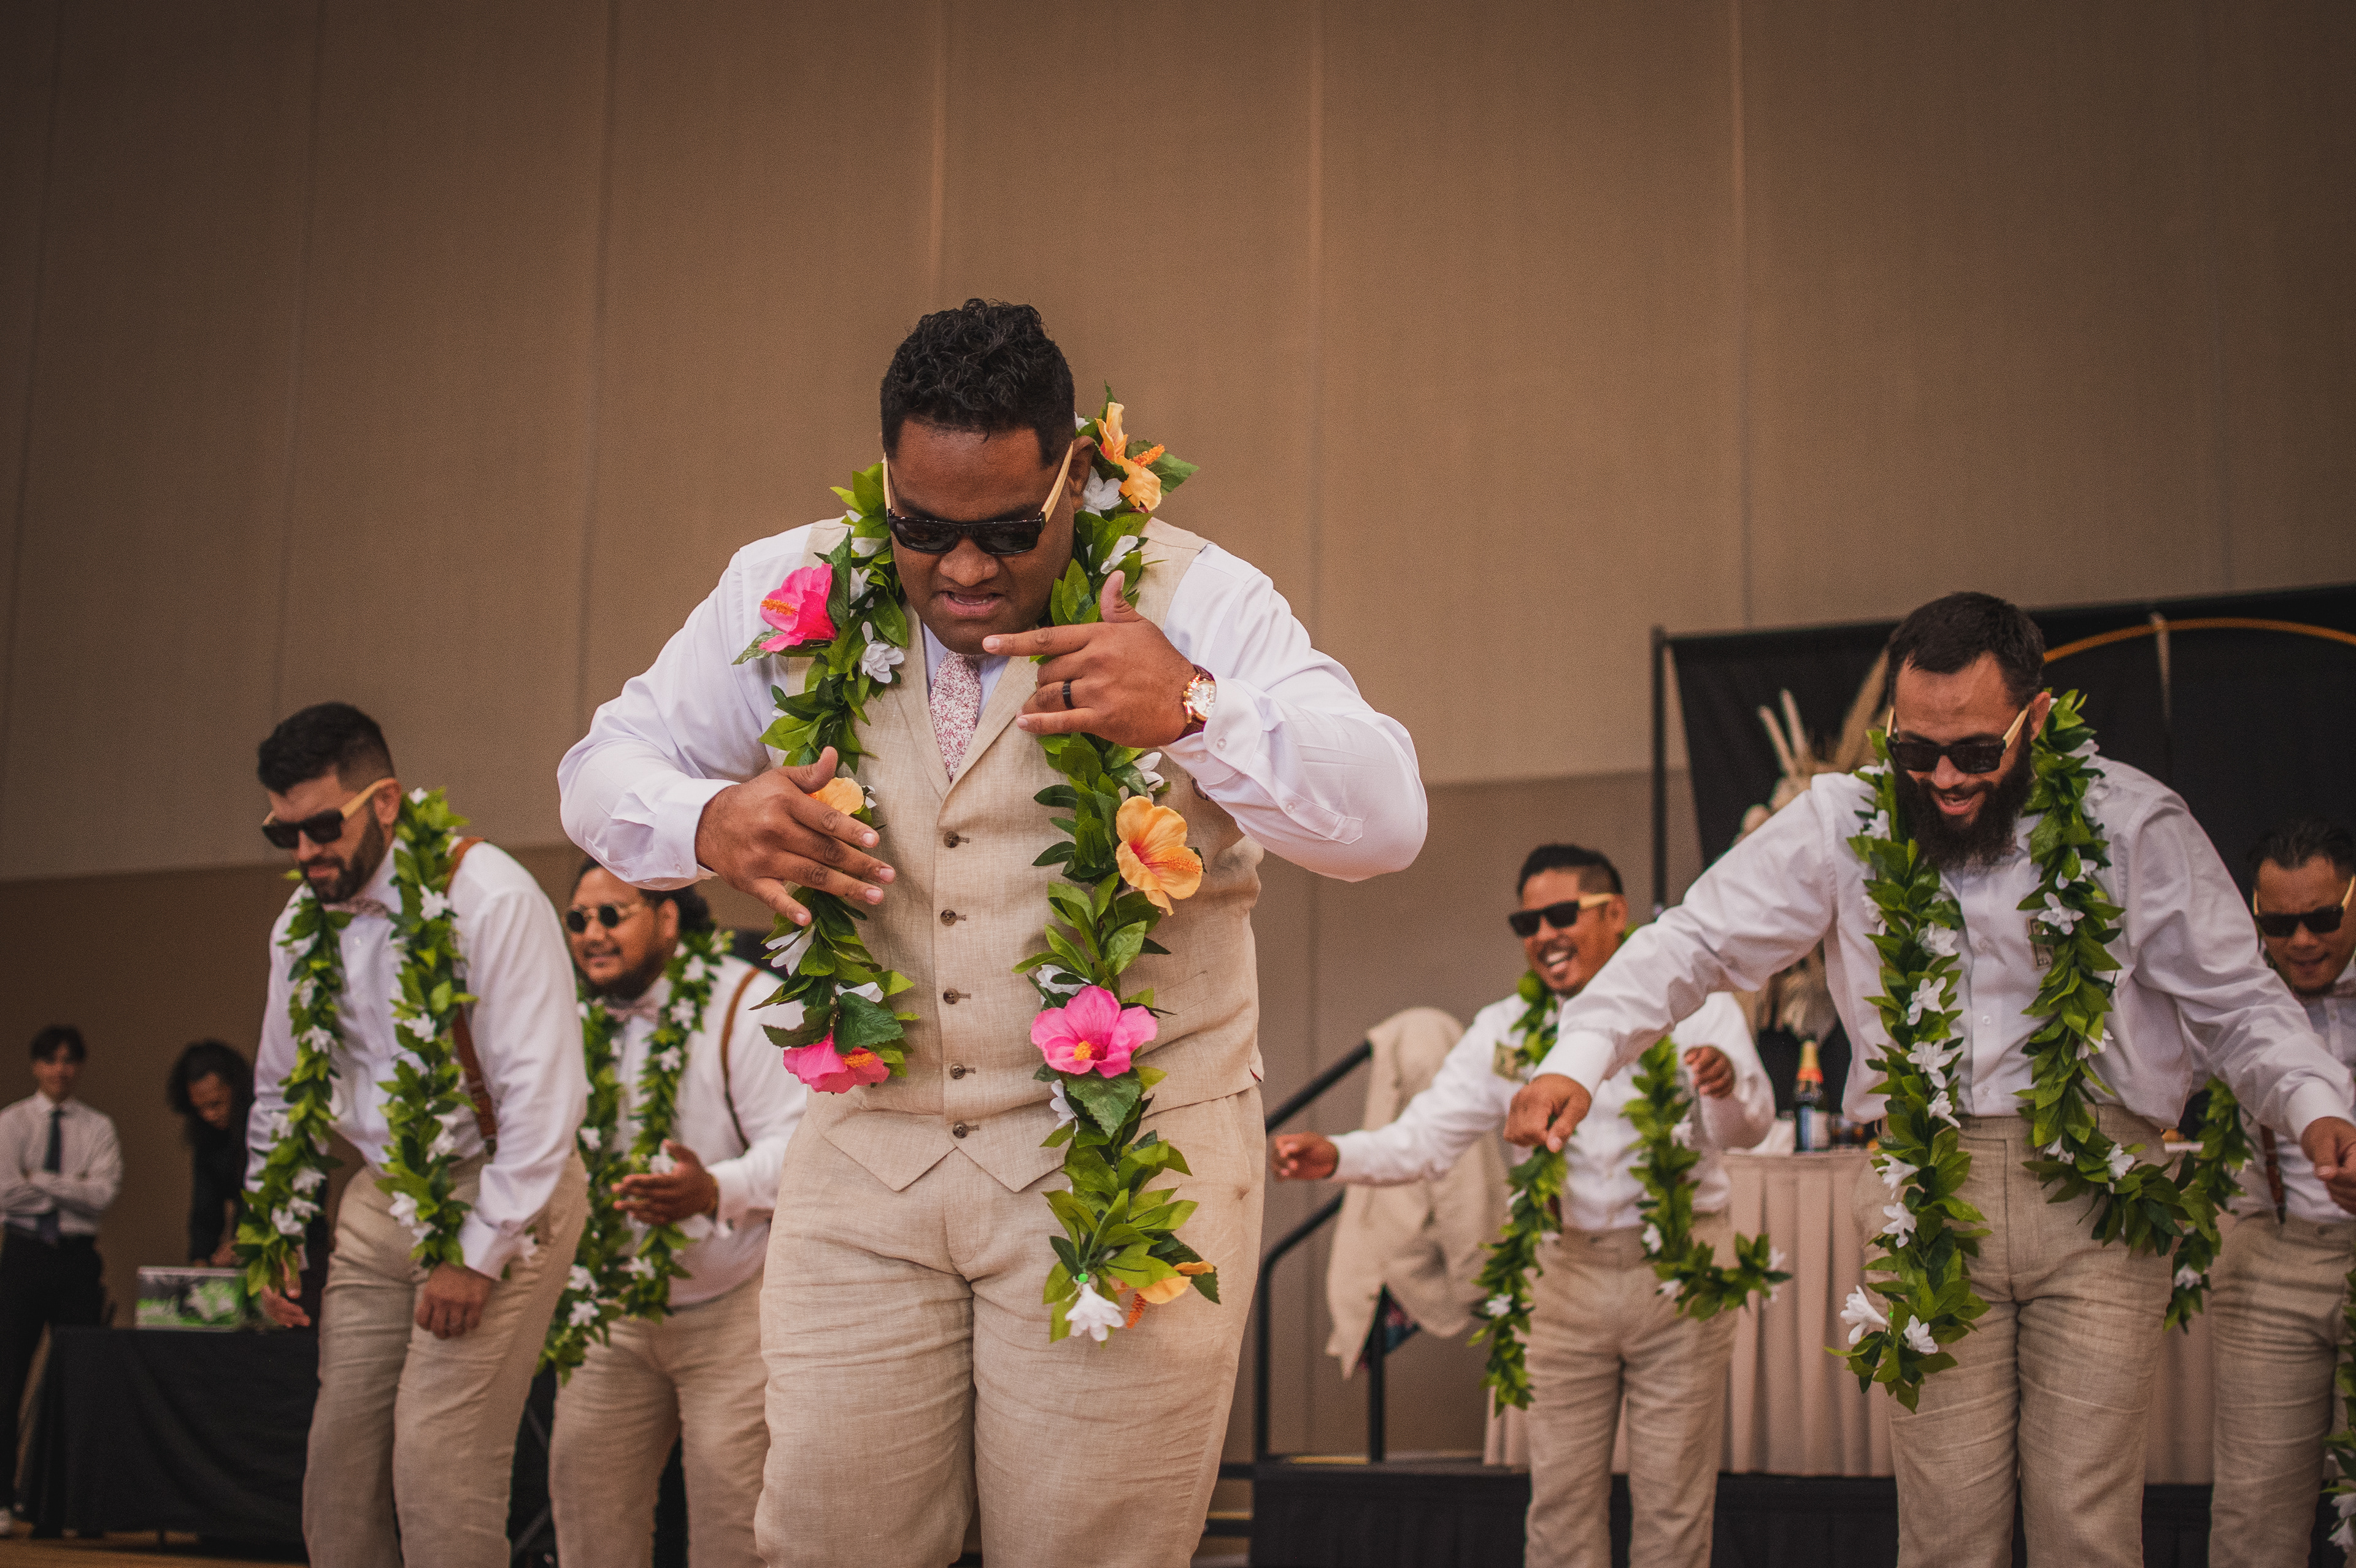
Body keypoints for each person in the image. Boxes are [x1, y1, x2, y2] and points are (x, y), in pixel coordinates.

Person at [559, 299, 1426, 1567]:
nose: (964, 570)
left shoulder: (1195, 592)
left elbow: (1387, 818)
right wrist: (707, 819)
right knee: (826, 1540)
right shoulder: (787, 587)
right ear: (885, 485)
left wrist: (1196, 706)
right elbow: (598, 770)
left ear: (1074, 475)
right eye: (924, 530)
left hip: (1126, 1162)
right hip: (867, 1156)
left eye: (1010, 531)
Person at [1503, 592, 2356, 1568]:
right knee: (1946, 1530)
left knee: (2084, 1523)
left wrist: (2315, 1108)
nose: (1944, 778)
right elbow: (1693, 941)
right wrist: (1577, 1061)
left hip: (2100, 1198)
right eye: (1918, 750)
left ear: (2037, 718)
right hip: (1924, 1194)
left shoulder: (2132, 823)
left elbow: (2237, 1001)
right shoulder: (1844, 820)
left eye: (1976, 751)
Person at [1272, 845, 1773, 1567]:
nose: (1544, 935)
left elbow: (1747, 1134)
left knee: (1674, 1506)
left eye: (1562, 915)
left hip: (1682, 1276)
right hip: (1561, 1278)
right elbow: (1426, 1140)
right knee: (1560, 1506)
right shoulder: (1506, 1029)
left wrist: (1725, 1092)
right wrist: (1339, 1156)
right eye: (1527, 922)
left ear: (1616, 913)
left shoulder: (1698, 1006)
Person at [246, 702, 588, 1568]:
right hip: (380, 1193)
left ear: (387, 802)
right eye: (284, 833)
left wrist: (477, 1254)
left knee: (440, 1463)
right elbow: (280, 1089)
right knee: (338, 1465)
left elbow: (543, 1102)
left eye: (323, 826)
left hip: (504, 1185)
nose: (305, 852)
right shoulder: (300, 928)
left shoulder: (490, 898)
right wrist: (274, 1224)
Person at [549, 865, 804, 1568]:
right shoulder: (565, 1017)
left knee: (733, 1522)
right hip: (611, 1310)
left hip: (733, 1307)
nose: (592, 934)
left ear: (667, 918)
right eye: (578, 920)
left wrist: (713, 1189)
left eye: (612, 915)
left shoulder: (748, 1004)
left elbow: (802, 1147)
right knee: (587, 1506)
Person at [2207, 817, 2356, 1568]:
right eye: (2278, 924)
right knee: (2254, 1517)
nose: (2301, 941)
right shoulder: (2231, 990)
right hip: (2272, 1252)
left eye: (2323, 919)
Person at [0, 1026, 120, 1532]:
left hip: (76, 1260)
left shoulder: (98, 1127)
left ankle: (71, 1506)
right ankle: (2, 1500)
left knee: (80, 1382)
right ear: (36, 1065)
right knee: (8, 1377)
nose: (60, 1070)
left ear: (80, 1067)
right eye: (51, 1060)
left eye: (69, 1060)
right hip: (24, 1256)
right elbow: (5, 1192)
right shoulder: (11, 1122)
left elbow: (103, 1196)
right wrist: (73, 1187)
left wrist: (41, 1180)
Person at [167, 1039, 255, 1266]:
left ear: (236, 1089)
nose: (209, 1115)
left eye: (216, 1104)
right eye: (200, 1108)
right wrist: (200, 1262)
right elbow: (205, 1212)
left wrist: (247, 1242)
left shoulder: (266, 1124)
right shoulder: (208, 1137)